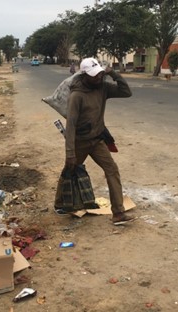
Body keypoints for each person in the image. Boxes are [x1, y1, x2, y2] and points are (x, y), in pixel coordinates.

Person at [54, 57, 137, 225]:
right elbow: (70, 126)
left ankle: (118, 213)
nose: (98, 78)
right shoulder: (77, 96)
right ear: (85, 75)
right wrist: (70, 152)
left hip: (97, 140)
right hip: (80, 143)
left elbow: (126, 92)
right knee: (69, 171)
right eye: (94, 75)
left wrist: (113, 73)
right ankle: (60, 204)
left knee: (112, 170)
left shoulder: (103, 88)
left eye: (99, 74)